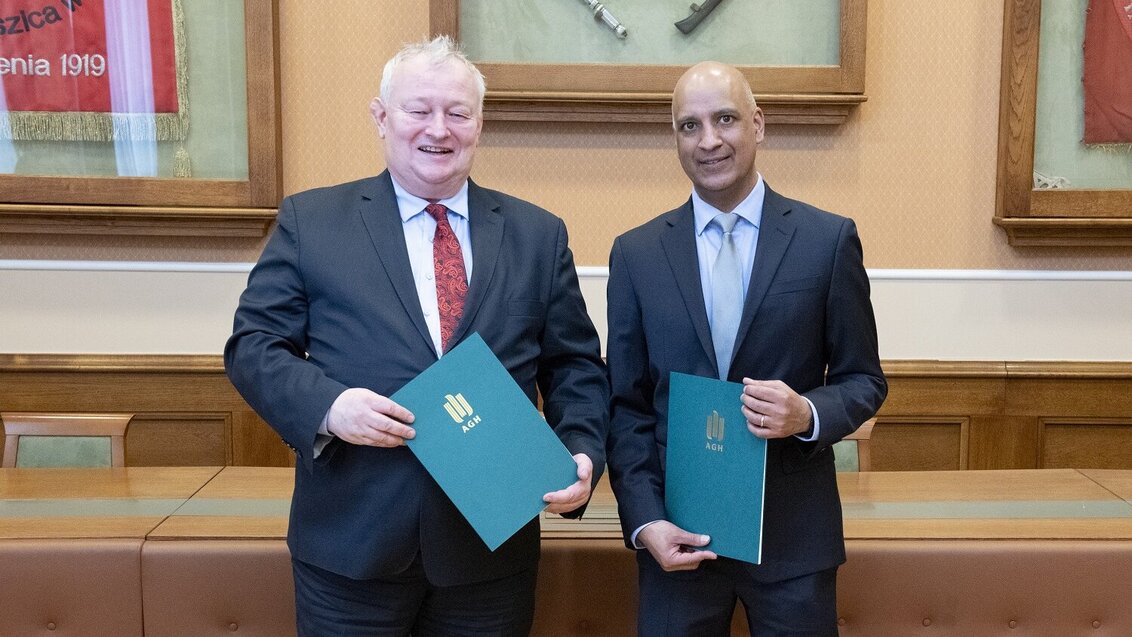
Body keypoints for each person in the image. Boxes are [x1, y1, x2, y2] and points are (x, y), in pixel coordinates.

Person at [225, 36, 608, 637]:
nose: (440, 129)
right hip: (351, 550)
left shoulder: (539, 235)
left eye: (458, 112)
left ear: (479, 124)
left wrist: (582, 451)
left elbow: (576, 368)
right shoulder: (312, 221)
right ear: (381, 117)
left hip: (489, 554)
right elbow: (253, 346)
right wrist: (329, 406)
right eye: (418, 110)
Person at [605, 61, 887, 636]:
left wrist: (806, 413)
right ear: (675, 137)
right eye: (690, 126)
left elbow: (864, 380)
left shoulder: (826, 241)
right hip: (677, 543)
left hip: (793, 546)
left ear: (757, 125)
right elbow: (627, 406)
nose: (708, 141)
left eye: (725, 119)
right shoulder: (635, 254)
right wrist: (643, 520)